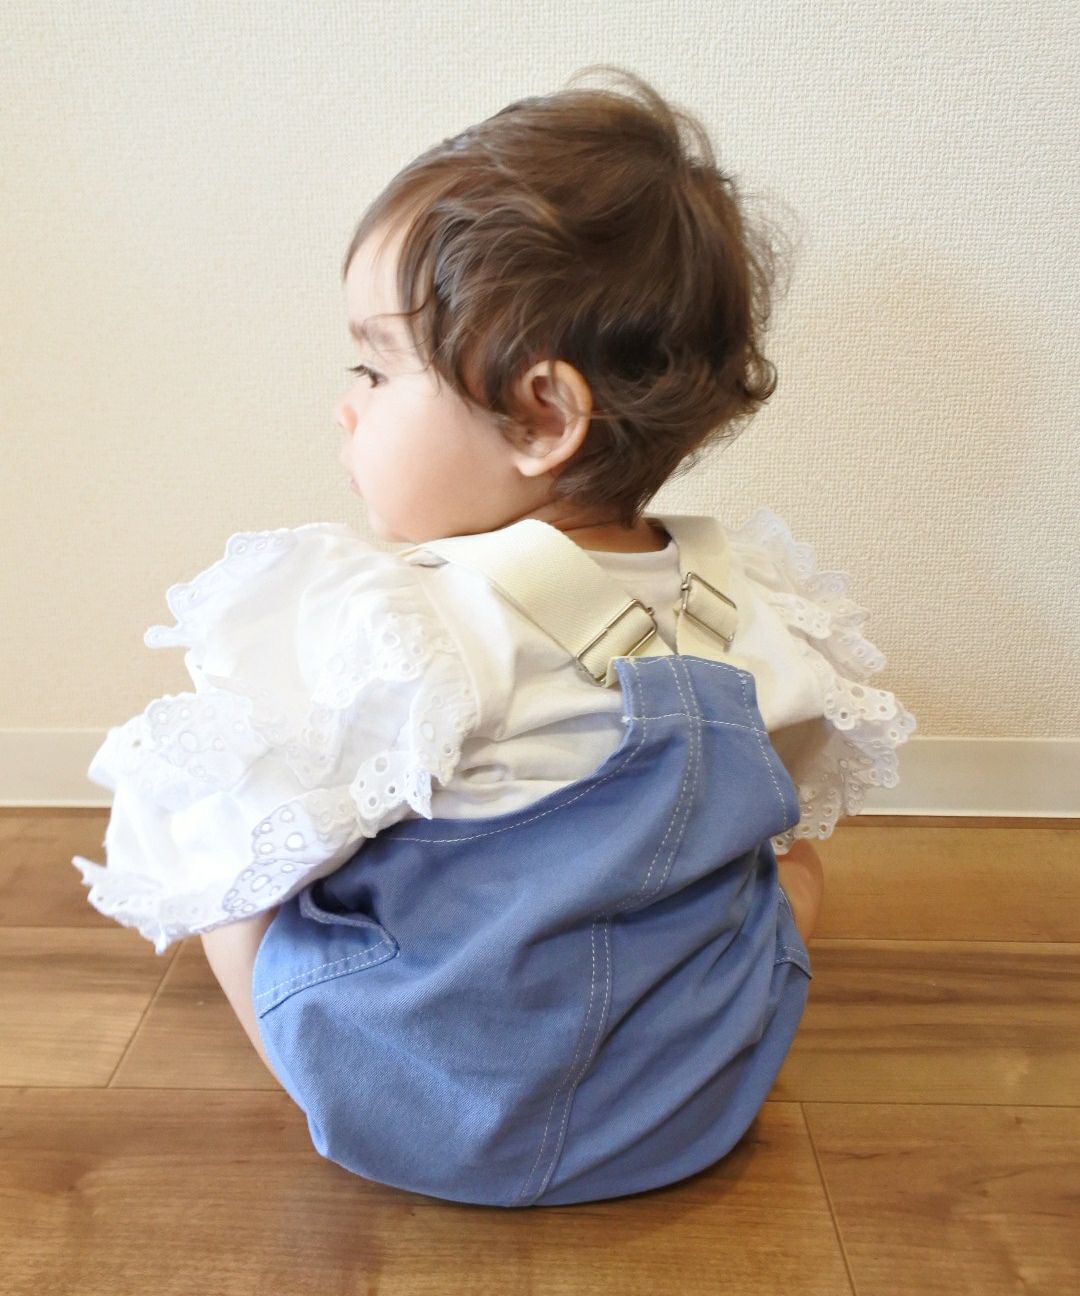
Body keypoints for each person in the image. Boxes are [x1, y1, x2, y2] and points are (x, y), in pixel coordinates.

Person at [73, 67, 915, 1207]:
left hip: (427, 1120)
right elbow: (782, 809)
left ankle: (325, 1074)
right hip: (689, 1108)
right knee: (789, 866)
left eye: (376, 367)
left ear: (541, 416)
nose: (347, 404)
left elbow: (236, 815)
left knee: (237, 861)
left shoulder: (413, 621)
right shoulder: (751, 605)